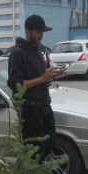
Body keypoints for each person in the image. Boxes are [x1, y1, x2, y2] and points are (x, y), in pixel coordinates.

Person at [7, 15, 65, 163]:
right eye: (38, 32)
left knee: (50, 144)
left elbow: (44, 75)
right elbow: (15, 84)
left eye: (42, 32)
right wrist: (43, 78)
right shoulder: (17, 53)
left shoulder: (42, 49)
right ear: (28, 31)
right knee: (34, 150)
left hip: (44, 105)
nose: (41, 35)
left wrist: (54, 73)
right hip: (29, 109)